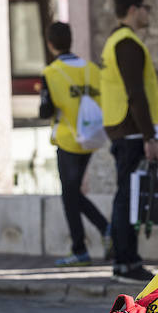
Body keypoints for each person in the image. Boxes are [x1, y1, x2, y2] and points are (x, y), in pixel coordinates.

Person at [100, 0, 158, 283]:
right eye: (146, 7)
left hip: (122, 129)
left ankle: (123, 260)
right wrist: (150, 137)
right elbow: (136, 94)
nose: (148, 13)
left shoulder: (117, 40)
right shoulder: (127, 43)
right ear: (133, 9)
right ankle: (127, 263)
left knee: (126, 195)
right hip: (130, 132)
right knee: (129, 197)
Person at [39, 21, 110, 266]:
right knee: (72, 193)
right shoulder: (92, 69)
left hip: (68, 139)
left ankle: (81, 249)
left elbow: (44, 109)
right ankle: (104, 231)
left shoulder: (51, 72)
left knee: (69, 195)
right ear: (71, 40)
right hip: (90, 139)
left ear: (50, 44)